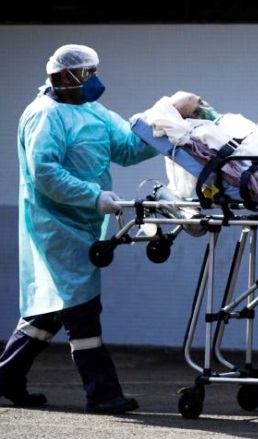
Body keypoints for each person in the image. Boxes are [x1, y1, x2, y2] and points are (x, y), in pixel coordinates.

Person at [0, 44, 160, 413]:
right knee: (81, 307)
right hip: (55, 225)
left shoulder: (93, 111)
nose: (94, 80)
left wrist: (165, 128)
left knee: (51, 308)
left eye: (94, 71)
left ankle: (7, 376)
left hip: (83, 223)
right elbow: (45, 173)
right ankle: (102, 393)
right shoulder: (44, 116)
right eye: (87, 73)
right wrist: (93, 196)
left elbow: (127, 149)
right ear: (63, 76)